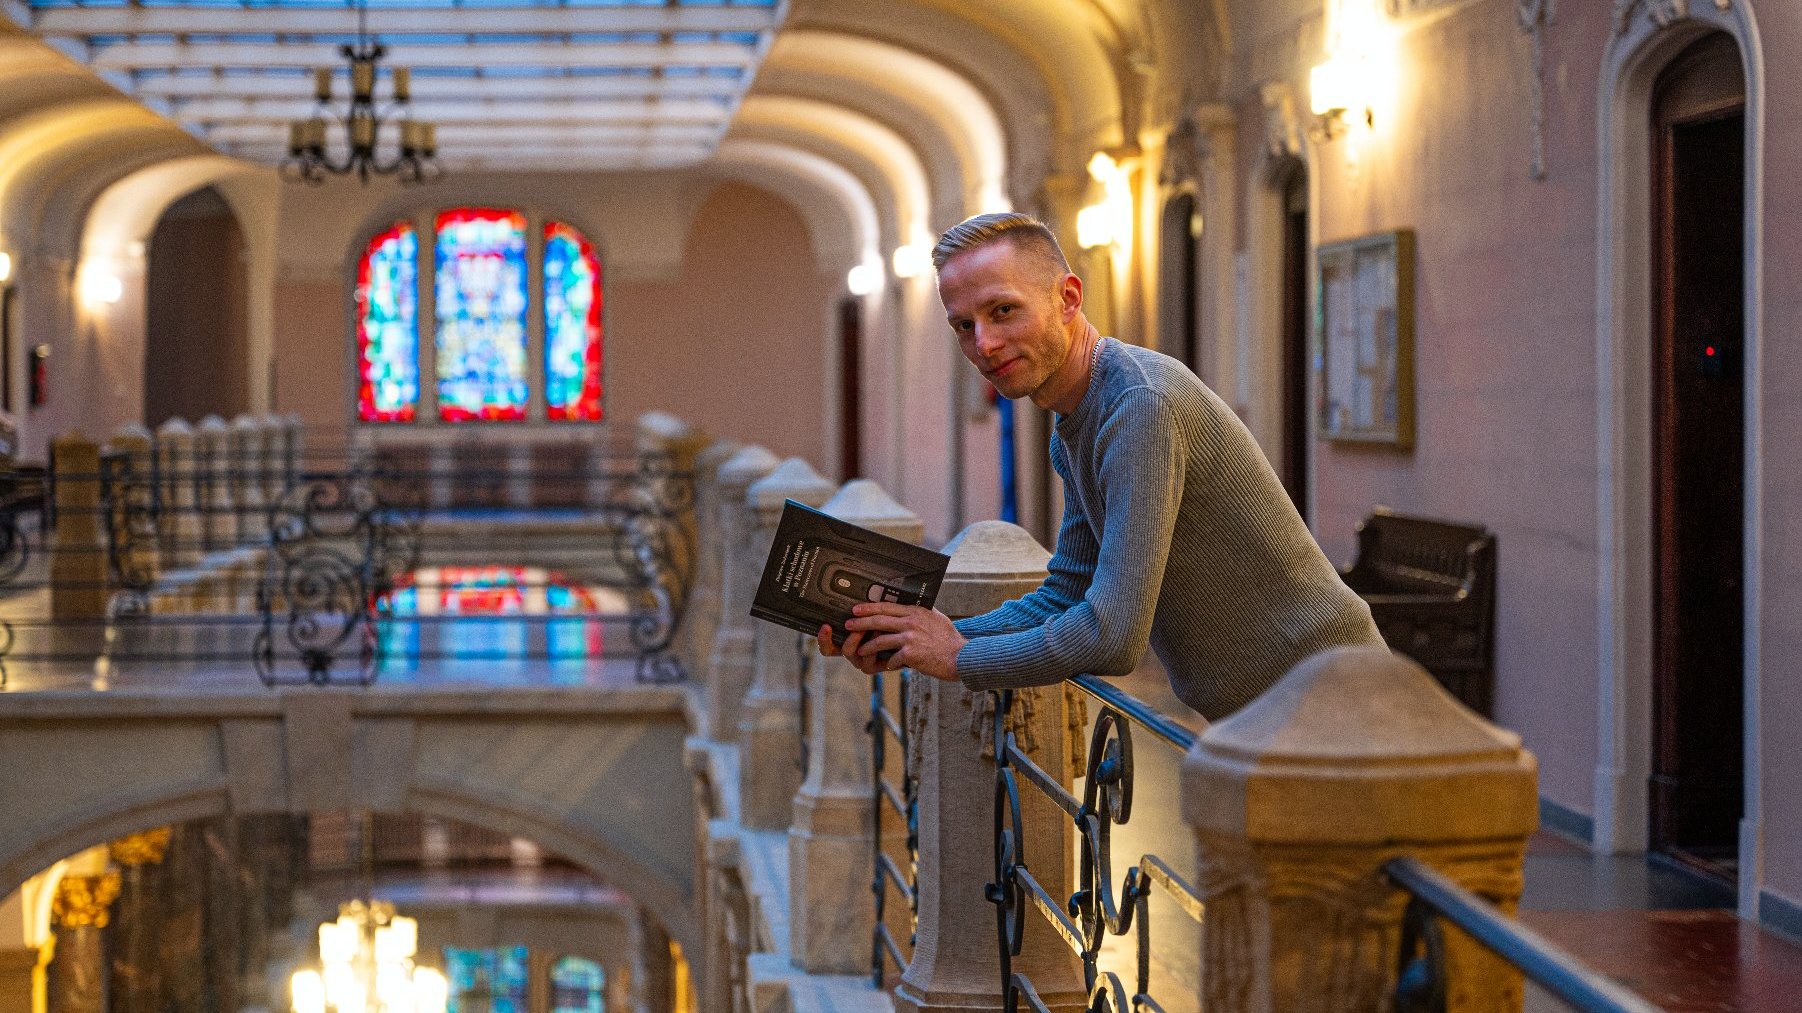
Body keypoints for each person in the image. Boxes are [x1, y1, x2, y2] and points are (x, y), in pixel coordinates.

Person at [819, 212, 1384, 720]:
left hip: (1336, 705)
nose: (985, 344)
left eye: (1004, 311)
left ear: (1068, 298)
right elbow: (1066, 593)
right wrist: (921, 638)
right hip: (1273, 715)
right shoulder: (1078, 420)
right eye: (964, 326)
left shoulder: (1140, 404)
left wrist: (961, 657)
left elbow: (1113, 635)